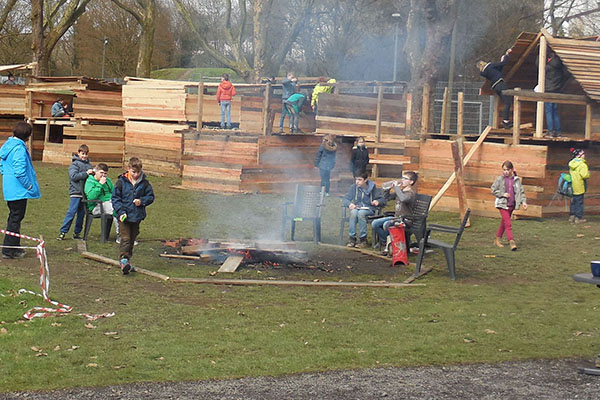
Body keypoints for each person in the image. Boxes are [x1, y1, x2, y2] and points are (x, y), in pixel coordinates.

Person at [0, 122, 41, 259]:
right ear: (27, 136)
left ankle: (13, 246)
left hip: (9, 188)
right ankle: (9, 249)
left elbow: (2, 164)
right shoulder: (19, 149)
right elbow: (20, 171)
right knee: (15, 218)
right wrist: (28, 186)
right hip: (18, 190)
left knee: (14, 217)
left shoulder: (7, 146)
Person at [112, 157, 154, 275]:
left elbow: (151, 197)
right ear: (128, 169)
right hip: (123, 216)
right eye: (133, 172)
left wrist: (142, 201)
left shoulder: (145, 183)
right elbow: (115, 198)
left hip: (136, 216)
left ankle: (127, 259)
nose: (135, 175)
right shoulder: (121, 182)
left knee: (132, 238)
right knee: (125, 238)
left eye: (138, 172)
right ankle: (124, 260)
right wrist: (120, 212)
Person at [371, 171, 417, 253]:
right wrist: (387, 189)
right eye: (402, 178)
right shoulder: (400, 192)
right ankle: (388, 242)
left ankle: (390, 245)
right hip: (396, 218)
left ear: (411, 182)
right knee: (375, 223)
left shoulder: (410, 193)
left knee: (386, 224)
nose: (402, 180)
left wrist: (396, 187)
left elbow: (403, 199)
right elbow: (387, 198)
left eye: (405, 178)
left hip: (406, 220)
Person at [57, 144, 93, 240]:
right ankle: (63, 232)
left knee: (81, 214)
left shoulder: (89, 165)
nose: (84, 156)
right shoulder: (74, 164)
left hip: (85, 194)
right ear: (78, 153)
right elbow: (73, 176)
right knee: (71, 212)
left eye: (86, 154)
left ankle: (77, 233)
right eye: (82, 154)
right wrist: (86, 173)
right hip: (76, 192)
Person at [342, 170, 385, 248]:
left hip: (370, 209)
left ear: (365, 180)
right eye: (356, 179)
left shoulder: (373, 188)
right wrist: (349, 204)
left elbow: (382, 200)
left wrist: (377, 201)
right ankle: (352, 238)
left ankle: (363, 239)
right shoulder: (353, 188)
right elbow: (345, 199)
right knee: (353, 213)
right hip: (357, 207)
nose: (357, 182)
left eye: (359, 180)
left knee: (361, 213)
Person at [491, 160, 528, 251]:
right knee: (508, 223)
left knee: (504, 223)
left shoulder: (516, 180)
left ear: (512, 170)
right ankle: (511, 242)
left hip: (511, 204)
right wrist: (503, 194)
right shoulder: (500, 179)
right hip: (502, 204)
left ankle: (497, 239)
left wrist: (523, 202)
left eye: (507, 170)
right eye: (504, 170)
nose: (505, 172)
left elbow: (521, 192)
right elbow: (493, 189)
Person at [477, 48, 513, 130]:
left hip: (495, 86)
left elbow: (498, 70)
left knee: (505, 101)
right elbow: (503, 63)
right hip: (500, 84)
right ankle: (505, 121)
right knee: (508, 102)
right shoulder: (490, 65)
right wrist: (506, 55)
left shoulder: (485, 72)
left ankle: (505, 120)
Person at [84, 162, 120, 241]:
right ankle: (120, 235)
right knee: (117, 210)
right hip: (96, 206)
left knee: (123, 208)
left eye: (105, 173)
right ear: (96, 172)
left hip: (109, 203)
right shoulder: (90, 182)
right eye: (101, 173)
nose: (103, 175)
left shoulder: (108, 181)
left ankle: (128, 234)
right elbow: (91, 197)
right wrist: (100, 184)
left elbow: (114, 192)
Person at [538, 50, 568, 138]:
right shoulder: (560, 66)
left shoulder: (548, 67)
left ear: (550, 58)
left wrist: (539, 53)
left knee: (549, 111)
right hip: (557, 90)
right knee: (555, 111)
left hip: (548, 90)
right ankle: (558, 132)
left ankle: (550, 132)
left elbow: (538, 65)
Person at [568, 148, 590, 224]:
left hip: (572, 185)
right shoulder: (582, 165)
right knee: (579, 202)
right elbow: (585, 175)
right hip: (580, 185)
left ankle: (572, 216)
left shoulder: (571, 163)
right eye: (583, 154)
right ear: (579, 155)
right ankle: (578, 218)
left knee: (573, 201)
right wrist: (588, 174)